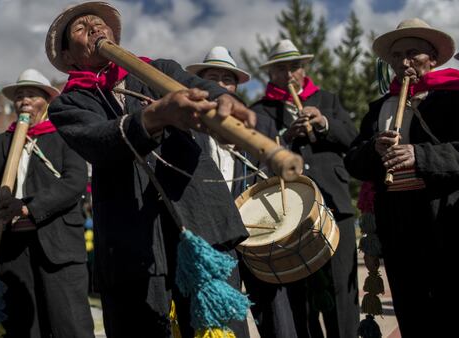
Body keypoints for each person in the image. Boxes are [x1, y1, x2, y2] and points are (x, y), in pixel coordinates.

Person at [45, 2, 257, 337]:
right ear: (70, 56)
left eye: (99, 24)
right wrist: (155, 116)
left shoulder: (159, 70)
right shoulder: (68, 103)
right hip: (131, 246)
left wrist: (222, 101)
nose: (95, 29)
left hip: (202, 221)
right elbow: (98, 143)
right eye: (82, 30)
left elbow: (199, 87)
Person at [344, 18, 459, 337]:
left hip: (446, 222)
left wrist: (419, 155)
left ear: (433, 58)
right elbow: (353, 161)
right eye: (396, 56)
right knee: (413, 312)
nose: (404, 62)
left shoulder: (453, 97)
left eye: (413, 53)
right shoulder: (380, 107)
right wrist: (374, 150)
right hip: (398, 227)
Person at [0, 69, 94, 338]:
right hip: (14, 250)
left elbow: (74, 181)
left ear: (46, 101)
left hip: (59, 246)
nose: (25, 101)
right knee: (24, 327)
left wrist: (29, 207)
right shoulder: (0, 143)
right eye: (20, 96)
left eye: (32, 95)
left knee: (69, 325)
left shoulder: (64, 135)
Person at [250, 39, 359, 338]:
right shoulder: (260, 110)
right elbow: (253, 156)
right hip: (291, 213)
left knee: (341, 290)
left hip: (335, 206)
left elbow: (353, 139)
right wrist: (285, 139)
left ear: (304, 69)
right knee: (301, 295)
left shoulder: (328, 99)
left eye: (294, 67)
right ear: (271, 73)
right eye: (281, 69)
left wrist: (323, 123)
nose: (289, 75)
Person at [185, 45, 252, 197]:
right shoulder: (186, 124)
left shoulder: (248, 130)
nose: (220, 85)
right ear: (199, 83)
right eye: (213, 78)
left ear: (235, 88)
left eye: (227, 80)